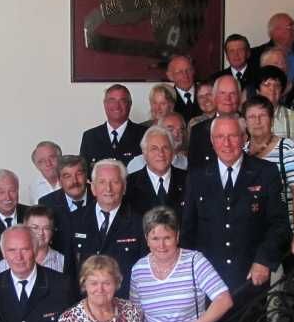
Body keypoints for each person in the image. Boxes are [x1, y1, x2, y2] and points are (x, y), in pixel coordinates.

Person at [182, 116, 290, 299]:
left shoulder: (266, 172)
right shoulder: (197, 177)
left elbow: (279, 224)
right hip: (208, 280)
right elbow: (188, 230)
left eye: (233, 136)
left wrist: (264, 261)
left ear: (244, 138)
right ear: (211, 141)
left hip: (251, 276)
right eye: (220, 137)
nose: (227, 143)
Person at [130, 206, 233, 322]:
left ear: (177, 236)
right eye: (155, 238)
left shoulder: (195, 261)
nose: (161, 245)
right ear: (146, 239)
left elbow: (224, 300)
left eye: (167, 238)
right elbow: (137, 315)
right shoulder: (139, 270)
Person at [67, 158, 146, 298]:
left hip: (123, 304)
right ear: (92, 187)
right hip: (84, 305)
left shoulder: (138, 223)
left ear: (124, 187)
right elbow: (69, 270)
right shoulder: (73, 220)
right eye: (102, 182)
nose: (108, 189)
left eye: (114, 182)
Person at [243, 95, 294, 255]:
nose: (257, 121)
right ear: (245, 122)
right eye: (252, 117)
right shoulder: (241, 151)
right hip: (250, 235)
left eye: (262, 116)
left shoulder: (288, 148)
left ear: (272, 120)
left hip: (283, 233)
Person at [79, 84, 147, 170]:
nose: (117, 106)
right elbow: (84, 173)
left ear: (130, 104)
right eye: (112, 100)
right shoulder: (90, 137)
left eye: (122, 101)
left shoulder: (145, 135)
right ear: (105, 104)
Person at [125, 125, 188, 217]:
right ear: (144, 153)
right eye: (154, 149)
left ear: (172, 151)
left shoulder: (189, 180)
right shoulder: (128, 184)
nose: (161, 154)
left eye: (165, 148)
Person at [39, 154, 94, 254]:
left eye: (79, 174)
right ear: (59, 181)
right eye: (67, 176)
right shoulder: (47, 203)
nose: (74, 181)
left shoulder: (99, 197)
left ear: (86, 175)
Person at [188, 74, 242, 168]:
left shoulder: (250, 127)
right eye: (222, 93)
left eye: (232, 93)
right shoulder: (198, 131)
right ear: (215, 97)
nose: (227, 99)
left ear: (239, 97)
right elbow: (193, 172)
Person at [0, 205, 66, 273]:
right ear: (25, 228)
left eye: (46, 228)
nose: (41, 233)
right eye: (35, 227)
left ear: (52, 231)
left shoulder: (62, 261)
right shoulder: (6, 263)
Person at [255, 65, 294, 139]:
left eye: (277, 85)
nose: (272, 89)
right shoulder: (249, 117)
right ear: (258, 91)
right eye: (267, 85)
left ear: (282, 91)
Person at [166, 54, 202, 122]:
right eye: (179, 72)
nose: (185, 75)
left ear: (193, 71)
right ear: (170, 76)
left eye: (188, 70)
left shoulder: (206, 94)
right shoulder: (167, 98)